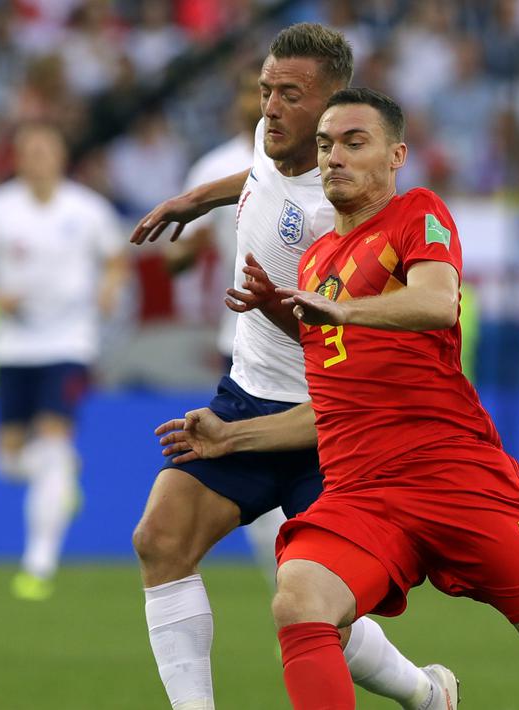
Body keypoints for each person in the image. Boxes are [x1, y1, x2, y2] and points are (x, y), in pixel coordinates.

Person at [160, 88, 519, 710]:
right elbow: (336, 405)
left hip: (456, 481)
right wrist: (232, 433)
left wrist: (342, 310)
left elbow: (436, 301)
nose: (334, 157)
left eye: (354, 143)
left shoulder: (417, 213)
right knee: (300, 599)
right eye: (325, 144)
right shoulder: (315, 262)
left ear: (396, 155)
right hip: (364, 494)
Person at [129, 24, 458, 710]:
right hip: (248, 391)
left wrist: (282, 312)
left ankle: (426, 695)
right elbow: (259, 176)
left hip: (327, 419)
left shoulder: (339, 213)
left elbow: (348, 342)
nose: (270, 108)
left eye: (289, 95)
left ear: (334, 105)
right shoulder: (270, 137)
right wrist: (200, 199)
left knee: (316, 607)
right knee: (160, 538)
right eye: (265, 90)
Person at [0, 121, 129, 600]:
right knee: (7, 460)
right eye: (29, 150)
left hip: (70, 342)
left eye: (46, 149)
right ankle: (60, 474)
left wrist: (109, 289)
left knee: (54, 438)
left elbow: (117, 258)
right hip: (13, 343)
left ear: (61, 156)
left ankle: (38, 562)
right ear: (17, 158)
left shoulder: (87, 209)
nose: (38, 158)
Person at [164, 64, 290, 585]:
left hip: (305, 339)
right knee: (252, 473)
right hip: (239, 336)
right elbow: (186, 249)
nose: (257, 104)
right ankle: (291, 586)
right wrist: (179, 254)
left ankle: (314, 590)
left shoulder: (313, 157)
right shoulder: (213, 166)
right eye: (252, 92)